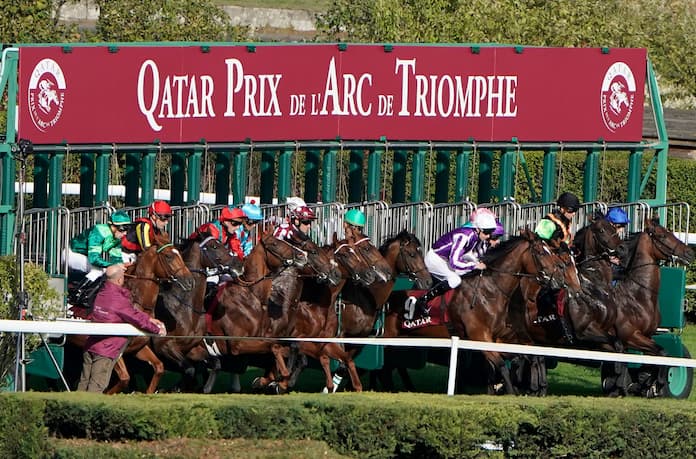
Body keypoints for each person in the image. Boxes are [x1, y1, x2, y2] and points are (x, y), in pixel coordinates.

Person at [77, 263, 166, 393]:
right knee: (95, 390)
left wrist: (149, 318)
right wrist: (157, 330)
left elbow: (129, 310)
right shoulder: (118, 299)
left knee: (83, 385)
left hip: (90, 346)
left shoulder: (102, 293)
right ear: (119, 280)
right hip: (105, 351)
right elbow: (135, 317)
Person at [406, 210, 498, 321]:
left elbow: (467, 254)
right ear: (477, 229)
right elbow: (455, 262)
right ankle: (424, 300)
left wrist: (475, 262)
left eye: (490, 233)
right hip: (435, 259)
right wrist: (474, 266)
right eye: (486, 232)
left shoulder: (475, 236)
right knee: (455, 279)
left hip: (445, 260)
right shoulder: (464, 235)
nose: (488, 236)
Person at [67, 210, 132, 281]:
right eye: (123, 228)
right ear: (113, 226)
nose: (125, 233)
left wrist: (122, 265)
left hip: (85, 256)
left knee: (113, 270)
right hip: (71, 254)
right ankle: (79, 292)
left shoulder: (117, 237)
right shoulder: (98, 232)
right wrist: (112, 265)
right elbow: (94, 259)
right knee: (98, 271)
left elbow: (116, 258)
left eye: (128, 229)